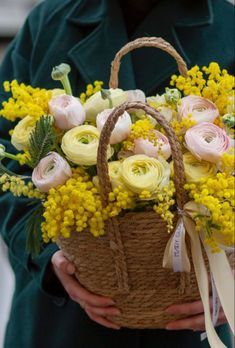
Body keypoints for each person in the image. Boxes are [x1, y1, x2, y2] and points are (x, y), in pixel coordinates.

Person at [0, 0, 234, 347]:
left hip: (188, 325)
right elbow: (8, 165)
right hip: (62, 322)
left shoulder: (228, 31)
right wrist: (48, 259)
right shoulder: (49, 23)